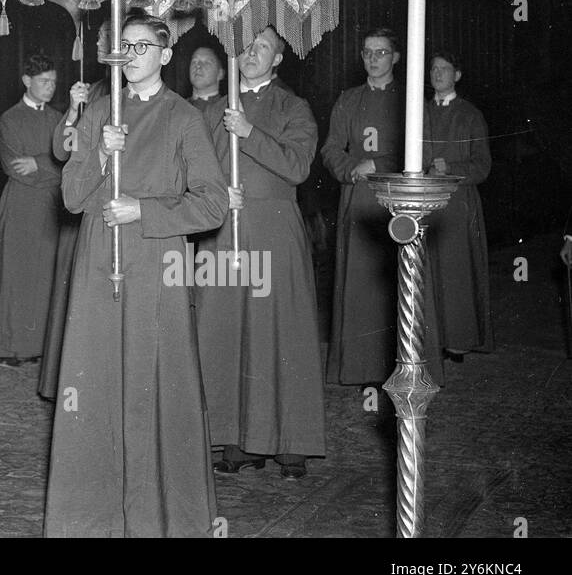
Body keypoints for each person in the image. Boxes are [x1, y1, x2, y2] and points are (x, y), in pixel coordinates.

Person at [45, 12, 229, 537]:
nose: (130, 56)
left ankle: (157, 518)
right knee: (96, 383)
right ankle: (92, 517)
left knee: (152, 387)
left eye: (143, 47)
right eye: (123, 46)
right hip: (98, 262)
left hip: (154, 265)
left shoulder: (182, 118)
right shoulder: (100, 111)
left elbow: (213, 204)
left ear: (166, 55)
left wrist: (143, 210)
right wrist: (100, 154)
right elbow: (72, 198)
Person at [199, 27, 326, 479]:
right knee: (227, 335)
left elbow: (297, 166)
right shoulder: (215, 108)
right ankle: (236, 440)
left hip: (273, 231)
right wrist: (213, 193)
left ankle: (290, 442)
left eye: (263, 48)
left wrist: (249, 131)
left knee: (279, 334)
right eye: (248, 46)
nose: (252, 53)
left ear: (277, 60)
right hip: (225, 230)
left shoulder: (294, 108)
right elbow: (195, 166)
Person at [322, 27, 444, 386]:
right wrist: (351, 171)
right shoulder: (348, 99)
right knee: (361, 284)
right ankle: (361, 368)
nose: (373, 59)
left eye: (381, 52)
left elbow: (423, 151)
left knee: (397, 283)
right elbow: (331, 148)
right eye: (367, 52)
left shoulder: (408, 102)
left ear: (396, 58)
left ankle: (405, 364)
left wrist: (378, 164)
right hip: (359, 201)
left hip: (398, 203)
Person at [38, 20, 109, 400]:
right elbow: (62, 151)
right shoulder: (92, 90)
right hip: (83, 207)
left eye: (105, 37)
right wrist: (72, 110)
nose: (98, 42)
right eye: (98, 36)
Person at [0, 53, 64, 368]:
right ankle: (14, 348)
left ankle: (40, 346)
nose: (50, 88)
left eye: (53, 82)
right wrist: (50, 166)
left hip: (51, 205)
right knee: (17, 275)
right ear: (26, 81)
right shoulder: (10, 118)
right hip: (21, 203)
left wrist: (40, 162)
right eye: (44, 82)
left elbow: (71, 163)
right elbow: (16, 168)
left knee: (46, 275)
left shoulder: (59, 119)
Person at [424, 51, 494, 360]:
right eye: (433, 69)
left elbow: (482, 166)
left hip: (458, 204)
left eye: (444, 69)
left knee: (455, 274)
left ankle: (457, 340)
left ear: (458, 75)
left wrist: (450, 168)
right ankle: (428, 339)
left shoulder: (470, 115)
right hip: (425, 201)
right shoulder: (419, 112)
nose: (437, 74)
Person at [187, 44, 226, 119]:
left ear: (220, 73)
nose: (198, 66)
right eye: (194, 61)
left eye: (207, 62)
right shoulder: (176, 106)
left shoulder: (227, 108)